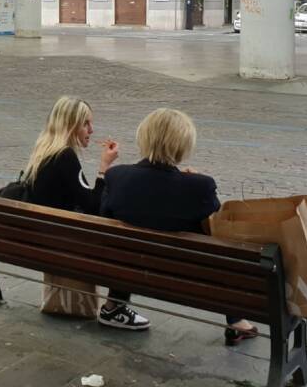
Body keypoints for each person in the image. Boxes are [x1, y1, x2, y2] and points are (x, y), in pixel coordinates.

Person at [100, 108, 257, 345]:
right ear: (183, 144)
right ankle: (235, 320)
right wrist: (194, 181)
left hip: (127, 265)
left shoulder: (117, 176)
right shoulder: (200, 187)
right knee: (223, 252)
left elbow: (104, 219)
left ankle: (114, 304)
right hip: (186, 277)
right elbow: (218, 229)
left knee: (128, 238)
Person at [22, 97, 149, 330]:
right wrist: (104, 168)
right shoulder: (64, 156)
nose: (91, 130)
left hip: (39, 240)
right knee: (125, 239)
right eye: (86, 124)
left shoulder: (42, 151)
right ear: (70, 125)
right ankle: (115, 308)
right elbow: (91, 206)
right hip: (64, 242)